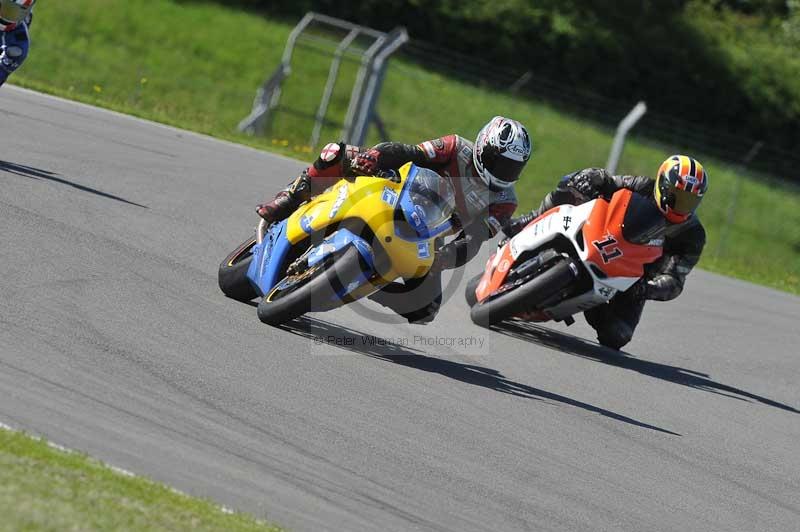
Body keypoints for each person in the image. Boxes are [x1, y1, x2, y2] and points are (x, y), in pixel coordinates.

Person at [256, 116, 533, 323]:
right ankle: (289, 198)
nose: (505, 171)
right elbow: (409, 152)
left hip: (426, 237)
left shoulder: (505, 201)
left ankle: (371, 287)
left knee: (425, 309)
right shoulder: (455, 146)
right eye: (501, 162)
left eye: (514, 167)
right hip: (395, 192)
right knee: (336, 153)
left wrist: (446, 258)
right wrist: (374, 157)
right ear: (484, 146)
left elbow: (473, 240)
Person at [504, 155, 708, 349]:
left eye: (689, 201)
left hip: (633, 278)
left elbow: (675, 279)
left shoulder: (692, 235)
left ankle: (589, 301)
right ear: (662, 185)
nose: (682, 206)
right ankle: (529, 221)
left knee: (617, 336)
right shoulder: (641, 185)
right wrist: (594, 177)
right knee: (574, 184)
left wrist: (648, 289)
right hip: (602, 237)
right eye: (677, 197)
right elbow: (608, 181)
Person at [0, 0, 35, 88]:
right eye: (4, 8)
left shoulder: (18, 45)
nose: (6, 16)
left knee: (15, 53)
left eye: (13, 12)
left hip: (10, 38)